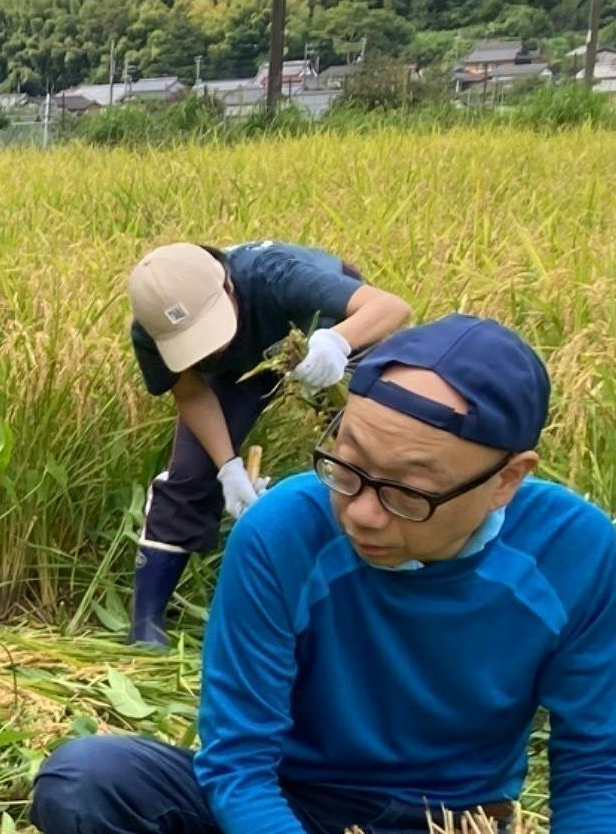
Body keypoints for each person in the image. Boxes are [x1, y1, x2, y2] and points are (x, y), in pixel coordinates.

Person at [33, 315, 616, 834]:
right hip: (287, 804)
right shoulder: (284, 530)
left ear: (506, 480)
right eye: (346, 467)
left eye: (408, 492)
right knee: (89, 787)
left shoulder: (573, 551)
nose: (361, 512)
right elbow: (238, 764)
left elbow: (599, 766)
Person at [121, 239, 410, 649]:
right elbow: (191, 393)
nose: (212, 347)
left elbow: (389, 307)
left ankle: (390, 593)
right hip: (242, 369)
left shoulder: (274, 275)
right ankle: (146, 624)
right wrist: (227, 467)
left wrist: (335, 343)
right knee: (191, 474)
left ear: (227, 287)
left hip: (330, 331)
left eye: (209, 332)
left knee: (369, 458)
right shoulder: (154, 328)